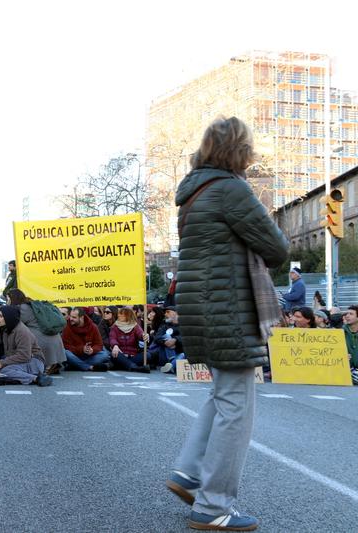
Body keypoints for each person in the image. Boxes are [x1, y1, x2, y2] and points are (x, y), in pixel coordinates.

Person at [167, 116, 289, 531]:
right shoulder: (232, 189)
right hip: (229, 310)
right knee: (237, 406)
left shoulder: (193, 193)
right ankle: (212, 504)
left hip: (202, 309)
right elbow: (276, 247)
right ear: (239, 151)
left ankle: (188, 472)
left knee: (223, 396)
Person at [6, 288, 66, 375]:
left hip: (42, 340)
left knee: (20, 334)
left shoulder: (23, 308)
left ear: (13, 298)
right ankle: (52, 364)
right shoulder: (32, 304)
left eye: (7, 299)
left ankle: (47, 365)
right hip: (54, 338)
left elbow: (14, 324)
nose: (6, 301)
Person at [0, 305, 50, 386]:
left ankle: (37, 378)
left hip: (34, 361)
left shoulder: (22, 331)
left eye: (1, 316)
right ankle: (24, 376)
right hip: (21, 360)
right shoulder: (7, 329)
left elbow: (24, 356)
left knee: (4, 371)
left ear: (9, 317)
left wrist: (2, 363)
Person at [62, 307, 110, 372]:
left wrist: (92, 350)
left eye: (74, 317)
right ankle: (89, 367)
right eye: (70, 316)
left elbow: (99, 344)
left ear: (81, 317)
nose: (71, 319)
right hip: (74, 355)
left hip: (89, 356)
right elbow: (66, 346)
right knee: (65, 353)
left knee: (105, 355)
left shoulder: (93, 327)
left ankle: (75, 365)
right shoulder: (67, 327)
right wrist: (82, 349)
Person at [108, 307, 150, 373]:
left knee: (147, 355)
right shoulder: (115, 327)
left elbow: (141, 334)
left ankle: (125, 365)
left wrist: (144, 336)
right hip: (121, 355)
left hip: (133, 356)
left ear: (128, 316)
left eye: (123, 315)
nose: (119, 316)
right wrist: (115, 345)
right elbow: (112, 338)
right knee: (114, 355)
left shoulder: (135, 326)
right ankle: (135, 368)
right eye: (120, 314)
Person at [150, 307, 185, 374]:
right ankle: (173, 362)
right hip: (164, 356)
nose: (165, 314)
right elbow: (157, 338)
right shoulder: (164, 326)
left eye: (168, 312)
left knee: (182, 355)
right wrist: (165, 342)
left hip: (179, 352)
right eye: (165, 312)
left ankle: (172, 364)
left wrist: (175, 340)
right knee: (167, 336)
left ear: (176, 313)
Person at [341, 305, 358, 385]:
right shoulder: (340, 333)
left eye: (351, 314)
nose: (347, 316)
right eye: (346, 314)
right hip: (346, 368)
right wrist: (341, 355)